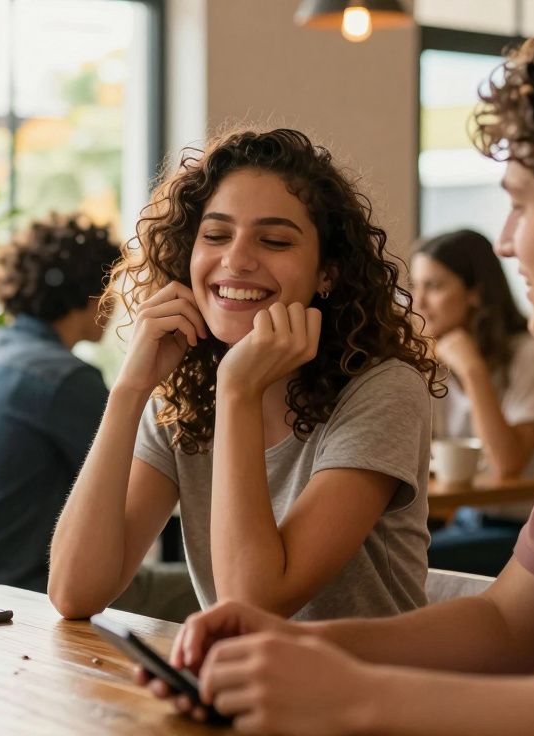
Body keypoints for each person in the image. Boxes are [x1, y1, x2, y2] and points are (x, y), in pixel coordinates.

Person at [146, 21, 534, 735]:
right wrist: (292, 648)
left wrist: (351, 698)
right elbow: (508, 625)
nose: (506, 241)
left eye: (519, 202)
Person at [48, 128, 441, 622]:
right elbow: (74, 591)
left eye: (274, 240)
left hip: (365, 694)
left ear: (329, 272)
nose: (236, 260)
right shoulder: (182, 395)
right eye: (215, 236)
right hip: (243, 689)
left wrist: (237, 391)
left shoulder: (383, 389)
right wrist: (130, 389)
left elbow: (251, 605)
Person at [0, 214, 118, 593]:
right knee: (198, 588)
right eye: (113, 285)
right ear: (90, 292)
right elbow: (132, 485)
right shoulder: (66, 380)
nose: (117, 301)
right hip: (29, 592)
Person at [412, 229, 534, 575]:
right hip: (468, 518)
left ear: (475, 293)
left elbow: (506, 463)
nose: (418, 302)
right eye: (414, 286)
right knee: (377, 555)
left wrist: (472, 370)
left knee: (404, 566)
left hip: (529, 530)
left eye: (434, 287)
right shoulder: (436, 358)